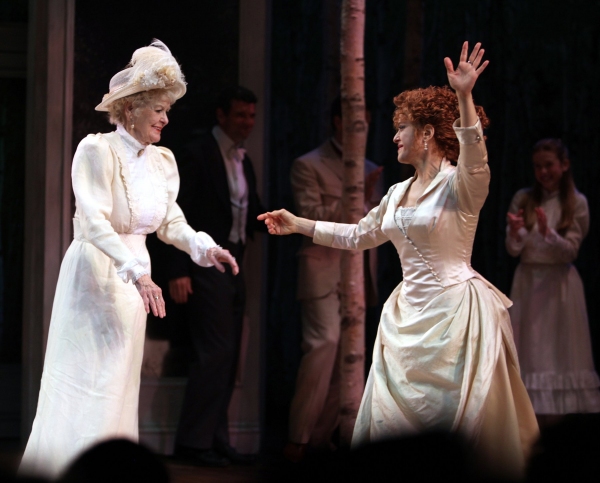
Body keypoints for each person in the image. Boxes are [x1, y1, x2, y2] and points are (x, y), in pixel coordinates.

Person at [259, 42, 538, 479]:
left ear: (427, 133)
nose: (393, 136)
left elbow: (476, 155)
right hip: (406, 318)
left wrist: (464, 95)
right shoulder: (395, 193)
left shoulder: (460, 186)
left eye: (402, 127)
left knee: (452, 420)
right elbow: (357, 236)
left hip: (455, 317)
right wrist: (300, 224)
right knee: (395, 423)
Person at [19, 40, 238, 479]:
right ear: (132, 108)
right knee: (87, 379)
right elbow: (95, 222)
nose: (165, 118)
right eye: (157, 108)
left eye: (167, 110)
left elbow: (169, 222)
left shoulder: (162, 160)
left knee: (118, 383)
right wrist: (136, 271)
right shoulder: (96, 150)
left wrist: (203, 247)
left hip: (136, 280)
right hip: (98, 272)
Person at [166, 86, 265, 466]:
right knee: (214, 353)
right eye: (241, 115)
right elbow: (176, 215)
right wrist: (178, 270)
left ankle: (216, 436)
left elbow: (247, 208)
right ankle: (193, 442)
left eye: (252, 116)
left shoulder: (243, 160)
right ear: (221, 115)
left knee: (229, 355)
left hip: (234, 263)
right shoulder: (197, 153)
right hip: (203, 265)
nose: (248, 122)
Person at [286, 97, 382, 459]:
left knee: (349, 359)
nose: (363, 127)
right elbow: (309, 218)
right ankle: (297, 440)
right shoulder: (308, 164)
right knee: (323, 345)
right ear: (339, 122)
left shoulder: (372, 167)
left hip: (357, 275)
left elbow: (372, 227)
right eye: (357, 119)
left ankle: (322, 441)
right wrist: (354, 198)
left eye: (367, 120)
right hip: (323, 271)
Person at [506, 139, 600, 426]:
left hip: (559, 286)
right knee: (531, 355)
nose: (543, 172)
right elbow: (513, 250)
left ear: (564, 165)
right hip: (528, 284)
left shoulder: (576, 202)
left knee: (558, 356)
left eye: (549, 165)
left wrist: (548, 233)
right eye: (538, 166)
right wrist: (517, 232)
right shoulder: (523, 199)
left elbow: (571, 251)